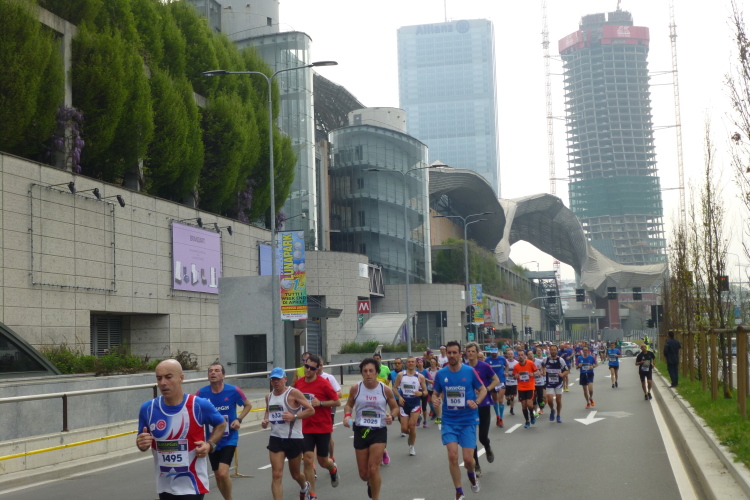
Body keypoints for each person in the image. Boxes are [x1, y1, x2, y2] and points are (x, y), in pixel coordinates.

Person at [136, 359, 226, 500]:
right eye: (159, 378)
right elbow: (142, 442)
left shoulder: (198, 405)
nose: (163, 383)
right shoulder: (148, 408)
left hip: (193, 484)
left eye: (168, 377)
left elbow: (221, 424)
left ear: (181, 378)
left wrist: (209, 445)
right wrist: (141, 444)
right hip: (165, 485)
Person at [432, 341, 487, 499]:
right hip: (449, 421)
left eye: (454, 352)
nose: (451, 355)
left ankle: (471, 474)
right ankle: (459, 492)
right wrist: (435, 400)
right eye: (449, 353)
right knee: (452, 456)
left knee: (468, 460)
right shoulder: (441, 374)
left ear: (460, 354)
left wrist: (476, 402)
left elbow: (482, 389)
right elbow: (435, 393)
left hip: (468, 420)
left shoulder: (469, 372)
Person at [343, 357, 400, 500]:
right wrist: (347, 415)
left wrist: (391, 416)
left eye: (371, 371)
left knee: (374, 468)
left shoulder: (384, 390)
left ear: (376, 372)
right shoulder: (356, 388)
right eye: (365, 371)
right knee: (364, 474)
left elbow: (395, 408)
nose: (368, 374)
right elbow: (348, 404)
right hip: (361, 430)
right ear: (362, 373)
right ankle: (370, 482)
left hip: (378, 430)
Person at [195, 363, 252, 500]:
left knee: (222, 473)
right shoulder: (201, 394)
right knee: (217, 475)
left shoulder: (233, 390)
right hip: (212, 440)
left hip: (229, 438)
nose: (213, 373)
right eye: (210, 371)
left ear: (223, 375)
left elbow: (248, 405)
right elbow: (193, 411)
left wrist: (238, 419)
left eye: (217, 370)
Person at [261, 367, 315, 500]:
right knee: (277, 474)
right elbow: (268, 411)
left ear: (285, 379)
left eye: (278, 379)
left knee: (295, 474)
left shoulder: (294, 393)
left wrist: (294, 416)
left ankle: (304, 486)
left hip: (294, 439)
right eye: (273, 379)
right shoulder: (269, 396)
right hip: (276, 438)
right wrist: (265, 420)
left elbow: (311, 410)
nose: (275, 382)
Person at [293, 354, 342, 499]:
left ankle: (332, 469)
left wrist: (320, 403)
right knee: (308, 460)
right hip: (305, 427)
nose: (308, 370)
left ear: (317, 369)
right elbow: (293, 400)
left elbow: (337, 402)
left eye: (312, 368)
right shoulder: (299, 383)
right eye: (306, 366)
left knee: (322, 461)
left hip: (322, 427)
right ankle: (312, 494)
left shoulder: (324, 383)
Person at [464, 342, 499, 478]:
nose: (470, 353)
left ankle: (487, 447)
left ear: (477, 352)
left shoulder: (484, 366)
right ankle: (476, 465)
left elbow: (496, 380)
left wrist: (486, 389)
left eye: (473, 351)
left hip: (483, 404)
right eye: (468, 351)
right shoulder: (464, 368)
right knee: (471, 438)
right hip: (469, 406)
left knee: (482, 436)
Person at [393, 356, 428, 456]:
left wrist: (421, 393)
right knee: (404, 429)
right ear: (406, 364)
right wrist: (399, 397)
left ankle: (412, 446)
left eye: (413, 362)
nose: (411, 363)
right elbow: (394, 388)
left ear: (416, 363)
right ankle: (411, 436)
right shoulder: (401, 375)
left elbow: (425, 391)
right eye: (409, 362)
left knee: (412, 426)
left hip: (415, 403)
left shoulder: (420, 377)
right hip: (404, 403)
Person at [316, 359, 342, 462]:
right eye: (317, 365)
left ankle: (331, 456)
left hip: (328, 410)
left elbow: (339, 393)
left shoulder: (328, 377)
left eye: (321, 365)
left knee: (328, 436)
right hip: (313, 411)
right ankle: (312, 464)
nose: (319, 368)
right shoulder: (308, 379)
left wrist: (324, 399)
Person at [372, 352, 393, 465]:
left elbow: (389, 378)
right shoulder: (370, 370)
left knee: (380, 429)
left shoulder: (385, 368)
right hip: (370, 402)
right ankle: (379, 451)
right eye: (374, 358)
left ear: (381, 359)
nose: (376, 360)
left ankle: (383, 450)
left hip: (381, 400)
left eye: (378, 358)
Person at [513, 349, 541, 429]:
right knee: (524, 406)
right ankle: (527, 421)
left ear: (524, 356)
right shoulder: (516, 366)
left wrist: (533, 374)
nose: (520, 357)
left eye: (522, 355)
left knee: (529, 404)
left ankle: (532, 415)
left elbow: (537, 372)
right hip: (521, 387)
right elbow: (514, 376)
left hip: (530, 387)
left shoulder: (530, 363)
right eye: (519, 355)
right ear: (517, 356)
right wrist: (515, 376)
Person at [544, 344, 569, 423]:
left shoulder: (560, 360)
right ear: (549, 351)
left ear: (557, 351)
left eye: (554, 350)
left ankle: (558, 415)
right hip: (549, 383)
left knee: (558, 400)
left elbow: (567, 370)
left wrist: (562, 374)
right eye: (552, 350)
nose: (553, 351)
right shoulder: (546, 359)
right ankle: (552, 410)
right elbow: (540, 366)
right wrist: (542, 371)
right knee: (550, 399)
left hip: (558, 383)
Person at [485, 346, 507, 427]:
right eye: (492, 353)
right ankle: (497, 415)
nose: (494, 354)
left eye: (495, 352)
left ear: (497, 352)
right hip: (493, 382)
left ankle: (501, 418)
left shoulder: (502, 359)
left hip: (501, 381)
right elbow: (485, 369)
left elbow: (506, 365)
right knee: (495, 400)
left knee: (501, 399)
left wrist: (506, 371)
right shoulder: (487, 360)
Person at [504, 347, 518, 416]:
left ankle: (511, 409)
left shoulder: (516, 363)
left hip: (514, 382)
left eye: (511, 354)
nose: (510, 355)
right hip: (506, 381)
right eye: (509, 354)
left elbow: (518, 371)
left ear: (513, 355)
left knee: (512, 396)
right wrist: (505, 373)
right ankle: (508, 400)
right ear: (507, 355)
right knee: (507, 397)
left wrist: (516, 375)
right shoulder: (505, 362)